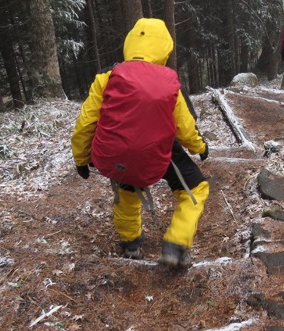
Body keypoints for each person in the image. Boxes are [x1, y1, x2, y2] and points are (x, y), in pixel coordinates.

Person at [70, 18, 210, 268]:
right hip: (159, 151)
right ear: (165, 48)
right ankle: (176, 245)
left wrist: (80, 158)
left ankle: (130, 242)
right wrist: (200, 147)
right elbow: (184, 127)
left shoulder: (107, 77)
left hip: (116, 152)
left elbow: (86, 122)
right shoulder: (169, 82)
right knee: (196, 189)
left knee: (127, 190)